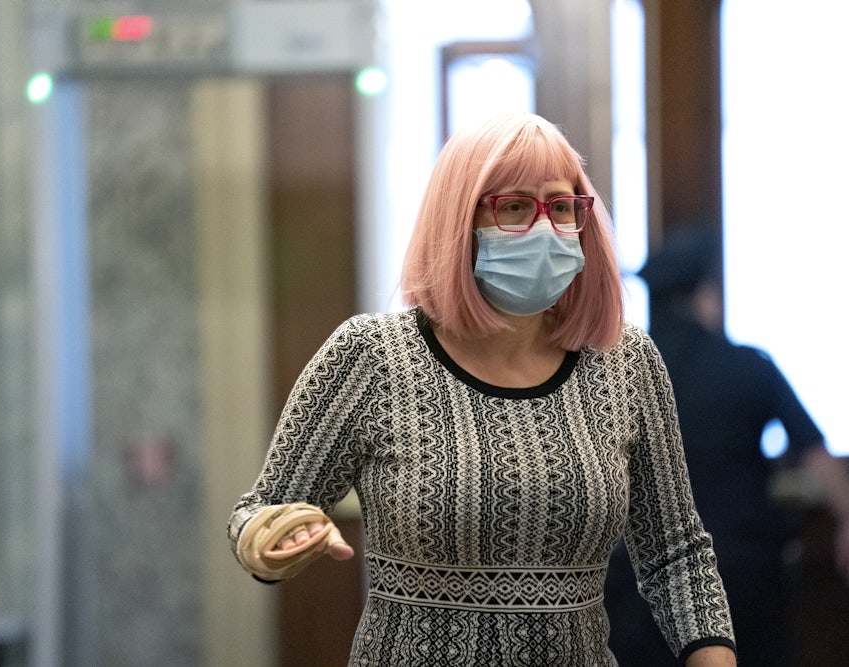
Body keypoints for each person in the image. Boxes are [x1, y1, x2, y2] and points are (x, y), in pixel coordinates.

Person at [229, 112, 737, 666]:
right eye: (514, 207)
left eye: (562, 207)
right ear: (459, 222)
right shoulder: (372, 356)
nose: (545, 229)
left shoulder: (625, 362)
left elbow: (675, 553)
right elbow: (262, 512)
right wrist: (267, 539)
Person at [604, 230, 849, 666]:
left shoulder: (620, 377)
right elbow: (814, 451)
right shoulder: (748, 366)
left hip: (643, 580)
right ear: (705, 296)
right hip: (741, 572)